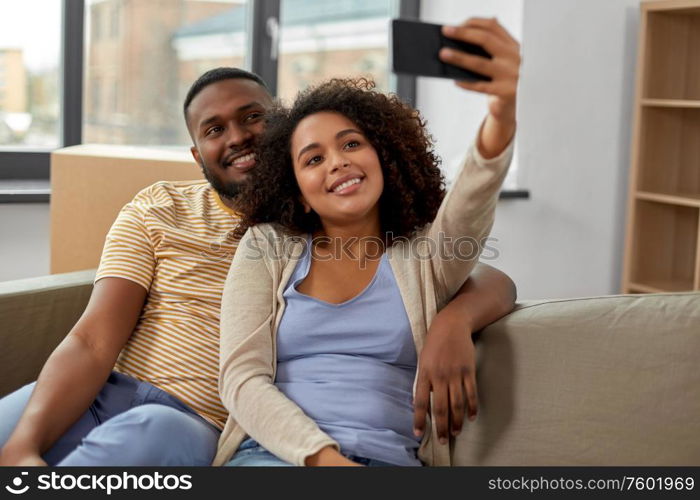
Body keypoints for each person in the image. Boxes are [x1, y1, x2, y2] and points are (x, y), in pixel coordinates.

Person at [0, 19, 517, 467]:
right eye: (213, 129)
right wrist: (23, 444)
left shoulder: (342, 233)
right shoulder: (177, 213)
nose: (237, 137)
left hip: (197, 421)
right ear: (197, 152)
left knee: (151, 433)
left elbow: (465, 247)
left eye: (253, 117)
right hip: (120, 392)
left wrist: (455, 318)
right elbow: (93, 339)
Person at [214, 18, 520, 467]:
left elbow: (471, 204)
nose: (337, 163)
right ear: (297, 191)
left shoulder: (423, 257)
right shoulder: (268, 247)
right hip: (275, 457)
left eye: (351, 144)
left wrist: (501, 111)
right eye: (314, 158)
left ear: (384, 159)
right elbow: (241, 379)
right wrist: (324, 460)